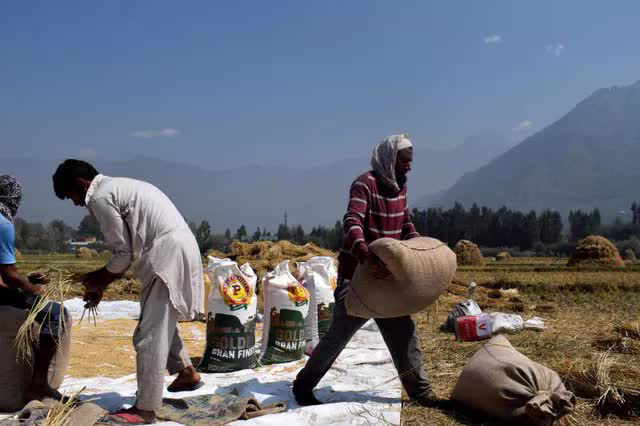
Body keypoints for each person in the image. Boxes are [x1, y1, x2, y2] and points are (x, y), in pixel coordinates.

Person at [53, 160, 204, 424]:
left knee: (149, 336)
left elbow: (124, 253)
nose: (76, 204)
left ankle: (145, 409)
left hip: (165, 255)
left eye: (72, 196)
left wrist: (99, 280)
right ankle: (186, 371)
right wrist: (102, 281)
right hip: (177, 248)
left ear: (80, 184)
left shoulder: (100, 197)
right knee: (159, 320)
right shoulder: (118, 186)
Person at [292, 135, 436, 407]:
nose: (409, 167)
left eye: (410, 162)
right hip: (359, 275)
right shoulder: (365, 184)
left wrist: (418, 246)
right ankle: (302, 387)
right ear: (390, 160)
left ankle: (422, 394)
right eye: (404, 161)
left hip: (387, 277)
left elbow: (405, 224)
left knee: (405, 335)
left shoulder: (400, 187)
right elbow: (352, 221)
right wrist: (365, 254)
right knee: (338, 337)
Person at [0, 175, 70, 402]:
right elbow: (9, 276)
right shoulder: (2, 223)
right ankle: (39, 384)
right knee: (56, 314)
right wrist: (32, 288)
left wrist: (25, 281)